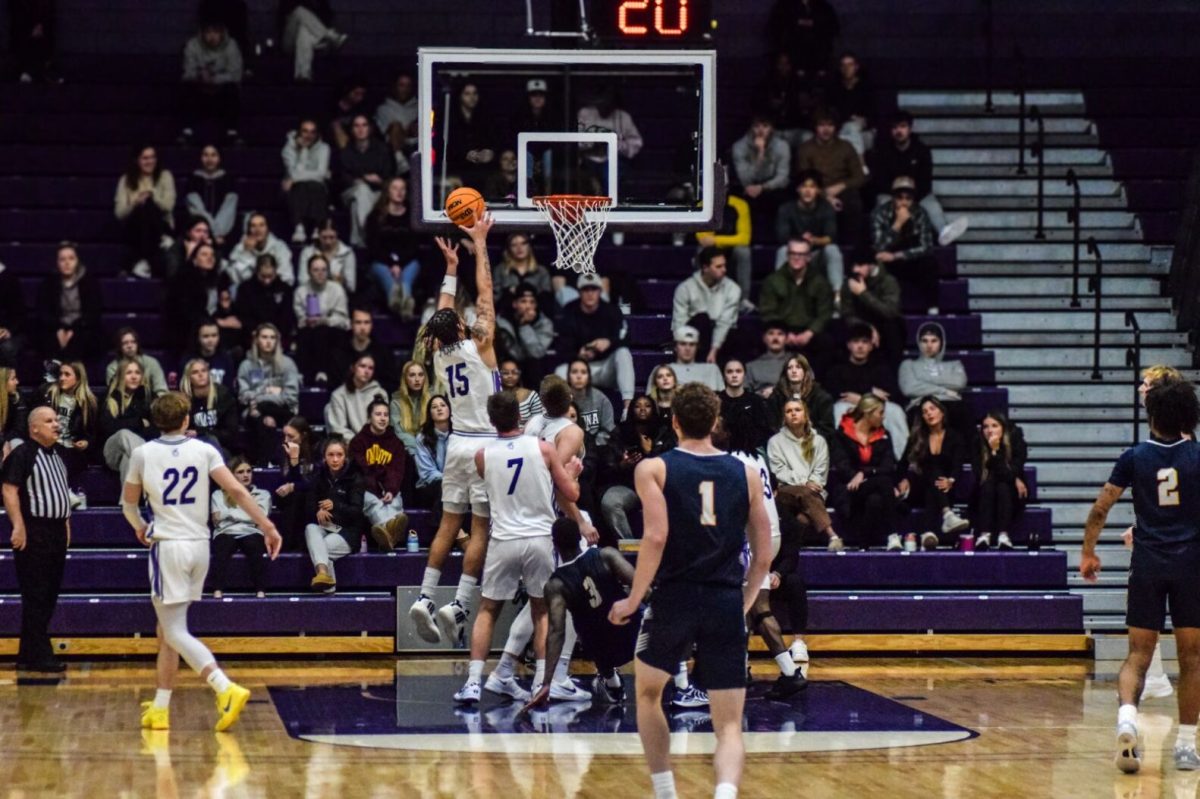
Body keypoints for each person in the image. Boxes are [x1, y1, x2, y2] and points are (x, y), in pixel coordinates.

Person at [608, 383, 773, 799]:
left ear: (674, 421)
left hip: (674, 597)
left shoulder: (654, 468)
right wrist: (745, 603)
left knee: (648, 696)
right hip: (723, 600)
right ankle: (724, 794)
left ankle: (665, 792)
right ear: (716, 421)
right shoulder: (747, 473)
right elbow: (765, 555)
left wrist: (632, 599)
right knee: (730, 725)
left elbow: (657, 536)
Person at [124, 392, 282, 732]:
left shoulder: (142, 453)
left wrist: (140, 527)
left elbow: (128, 505)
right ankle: (161, 707)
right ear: (186, 421)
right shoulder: (206, 449)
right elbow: (239, 492)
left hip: (169, 545)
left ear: (153, 422)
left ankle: (225, 688)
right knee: (166, 630)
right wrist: (267, 525)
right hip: (200, 546)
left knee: (173, 629)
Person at [1079, 380, 1200, 774]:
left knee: (1137, 656)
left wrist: (1088, 553)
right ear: (1189, 416)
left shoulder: (1134, 457)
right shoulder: (1197, 456)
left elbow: (1100, 509)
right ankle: (1185, 746)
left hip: (1147, 563)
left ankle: (1127, 721)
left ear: (1151, 416)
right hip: (1190, 566)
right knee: (1192, 658)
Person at [452, 391, 581, 704]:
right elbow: (571, 496)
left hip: (504, 539)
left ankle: (472, 683)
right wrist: (573, 475)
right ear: (521, 417)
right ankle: (540, 683)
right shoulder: (544, 448)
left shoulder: (482, 455)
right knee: (542, 612)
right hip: (539, 538)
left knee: (487, 609)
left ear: (492, 421)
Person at [408, 214, 499, 646]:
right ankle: (459, 603)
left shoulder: (439, 354)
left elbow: (442, 313)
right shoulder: (480, 343)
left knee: (448, 525)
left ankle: (426, 597)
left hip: (457, 443)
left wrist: (449, 268)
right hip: (484, 444)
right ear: (462, 327)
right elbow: (485, 295)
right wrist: (478, 245)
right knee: (479, 528)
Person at [723, 407, 808, 698]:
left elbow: (732, 507)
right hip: (768, 535)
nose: (717, 426)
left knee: (758, 607)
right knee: (744, 606)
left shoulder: (733, 460)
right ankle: (741, 668)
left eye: (722, 422)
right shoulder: (757, 458)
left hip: (753, 539)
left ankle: (789, 671)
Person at [529, 518, 641, 706]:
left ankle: (613, 685)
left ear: (554, 545)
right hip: (632, 633)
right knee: (650, 614)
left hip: (600, 649)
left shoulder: (555, 585)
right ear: (579, 537)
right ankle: (681, 684)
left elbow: (557, 633)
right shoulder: (606, 555)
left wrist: (547, 682)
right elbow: (641, 587)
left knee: (591, 633)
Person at [2, 407, 71, 672]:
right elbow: (9, 490)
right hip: (35, 531)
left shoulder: (58, 455)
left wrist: (66, 522)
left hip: (55, 531)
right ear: (34, 428)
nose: (56, 424)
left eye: (56, 420)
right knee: (37, 594)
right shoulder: (24, 454)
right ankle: (39, 654)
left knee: (50, 593)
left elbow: (60, 492)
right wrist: (18, 525)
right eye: (49, 421)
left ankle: (28, 653)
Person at [867, 110, 967, 245]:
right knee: (881, 200)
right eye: (895, 127)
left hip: (916, 195)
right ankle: (884, 238)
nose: (899, 131)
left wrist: (910, 200)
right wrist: (899, 199)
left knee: (932, 204)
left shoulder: (922, 151)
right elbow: (880, 181)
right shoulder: (883, 152)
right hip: (891, 195)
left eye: (902, 127)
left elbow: (925, 182)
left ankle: (944, 232)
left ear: (910, 128)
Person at [896, 397, 971, 550]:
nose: (929, 414)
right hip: (919, 487)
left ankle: (928, 533)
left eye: (932, 409)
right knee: (932, 470)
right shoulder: (918, 437)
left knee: (935, 485)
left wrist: (951, 480)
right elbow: (902, 465)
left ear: (942, 412)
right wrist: (902, 480)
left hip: (944, 487)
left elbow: (957, 464)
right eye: (925, 412)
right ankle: (947, 514)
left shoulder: (955, 437)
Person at [824, 322, 909, 457]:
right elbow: (835, 392)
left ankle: (903, 464)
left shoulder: (881, 367)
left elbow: (892, 394)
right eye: (856, 342)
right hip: (849, 407)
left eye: (865, 342)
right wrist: (870, 394)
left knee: (896, 411)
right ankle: (836, 461)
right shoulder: (838, 369)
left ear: (871, 346)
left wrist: (861, 398)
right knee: (837, 410)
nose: (860, 346)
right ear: (849, 345)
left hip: (875, 407)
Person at [554, 272, 635, 411]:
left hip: (605, 368)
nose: (590, 293)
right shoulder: (569, 311)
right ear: (579, 292)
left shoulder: (612, 311)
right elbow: (561, 347)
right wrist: (578, 355)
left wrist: (609, 342)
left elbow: (626, 338)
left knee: (623, 353)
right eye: (586, 290)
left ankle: (628, 408)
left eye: (594, 289)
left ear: (600, 291)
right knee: (559, 372)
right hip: (579, 368)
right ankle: (564, 412)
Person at [768, 398, 840, 550]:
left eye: (797, 410)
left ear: (806, 415)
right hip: (785, 491)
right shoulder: (775, 442)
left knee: (803, 521)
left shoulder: (819, 441)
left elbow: (821, 471)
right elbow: (778, 471)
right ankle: (832, 534)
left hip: (813, 491)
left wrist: (810, 483)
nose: (793, 414)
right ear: (784, 418)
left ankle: (790, 550)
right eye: (789, 411)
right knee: (805, 492)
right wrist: (804, 482)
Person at [829, 395, 899, 551]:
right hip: (850, 489)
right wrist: (864, 475)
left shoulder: (884, 435)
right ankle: (893, 534)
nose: (883, 416)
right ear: (868, 413)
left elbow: (888, 466)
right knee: (885, 483)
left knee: (874, 500)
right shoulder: (842, 433)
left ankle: (863, 546)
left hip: (875, 489)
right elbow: (842, 467)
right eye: (880, 412)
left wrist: (864, 473)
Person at [758, 239, 834, 373]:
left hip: (810, 331)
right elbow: (767, 311)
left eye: (802, 254)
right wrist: (785, 334)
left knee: (827, 342)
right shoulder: (773, 280)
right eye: (793, 253)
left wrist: (809, 333)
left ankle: (816, 386)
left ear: (809, 257)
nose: (797, 258)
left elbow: (825, 313)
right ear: (787, 255)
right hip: (783, 330)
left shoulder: (820, 282)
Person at [796, 109, 866, 247]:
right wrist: (825, 196)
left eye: (830, 125)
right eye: (821, 125)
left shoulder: (846, 147)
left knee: (853, 201)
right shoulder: (806, 149)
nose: (826, 129)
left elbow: (860, 177)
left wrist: (841, 186)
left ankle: (851, 247)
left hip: (841, 190)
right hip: (814, 189)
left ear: (836, 127)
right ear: (815, 127)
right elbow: (802, 179)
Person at [304, 435, 365, 593]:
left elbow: (357, 512)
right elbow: (308, 505)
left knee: (320, 549)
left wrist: (336, 505)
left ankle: (323, 577)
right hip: (326, 527)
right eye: (331, 455)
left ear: (345, 457)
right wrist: (318, 510)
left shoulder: (354, 477)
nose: (335, 459)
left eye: (339, 455)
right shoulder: (319, 476)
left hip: (347, 532)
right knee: (310, 528)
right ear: (324, 457)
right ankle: (324, 577)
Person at [871, 176, 940, 314]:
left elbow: (926, 246)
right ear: (893, 197)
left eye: (908, 198)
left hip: (908, 260)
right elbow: (878, 246)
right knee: (875, 262)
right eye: (899, 197)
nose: (903, 202)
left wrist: (897, 256)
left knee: (930, 262)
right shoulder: (880, 213)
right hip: (888, 261)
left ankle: (933, 306)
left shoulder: (920, 213)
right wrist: (897, 225)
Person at [348, 398, 408, 552]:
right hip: (367, 488)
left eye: (386, 415)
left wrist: (390, 490)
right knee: (373, 503)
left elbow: (397, 471)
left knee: (394, 502)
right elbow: (361, 469)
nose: (382, 418)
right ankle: (389, 530)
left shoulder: (396, 443)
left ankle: (386, 536)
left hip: (388, 487)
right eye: (378, 414)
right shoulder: (358, 442)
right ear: (369, 418)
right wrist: (377, 486)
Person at [237, 324, 301, 465]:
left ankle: (263, 463)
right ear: (256, 340)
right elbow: (243, 396)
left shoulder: (287, 364)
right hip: (255, 412)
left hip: (283, 410)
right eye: (264, 337)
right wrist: (269, 390)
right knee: (261, 420)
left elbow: (290, 397)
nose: (268, 341)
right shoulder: (246, 365)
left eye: (272, 337)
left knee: (261, 410)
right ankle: (267, 464)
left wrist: (258, 396)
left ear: (277, 341)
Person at [209, 456, 271, 599]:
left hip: (252, 532)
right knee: (222, 549)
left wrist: (228, 513)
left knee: (255, 547)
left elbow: (260, 518)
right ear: (231, 475)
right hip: (225, 531)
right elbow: (217, 520)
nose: (246, 475)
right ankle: (217, 591)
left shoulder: (262, 494)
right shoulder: (218, 494)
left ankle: (260, 591)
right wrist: (249, 511)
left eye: (249, 471)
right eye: (240, 472)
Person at [775, 170, 843, 291]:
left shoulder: (826, 208)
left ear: (818, 190)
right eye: (804, 187)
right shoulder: (786, 209)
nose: (807, 191)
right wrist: (802, 242)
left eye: (812, 187)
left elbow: (831, 237)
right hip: (795, 253)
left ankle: (837, 294)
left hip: (817, 256)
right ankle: (780, 293)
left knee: (833, 250)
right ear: (798, 189)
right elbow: (782, 237)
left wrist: (814, 240)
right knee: (783, 251)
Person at [671, 247, 742, 363]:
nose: (724, 270)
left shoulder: (733, 289)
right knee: (702, 319)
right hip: (696, 336)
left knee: (738, 334)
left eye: (724, 265)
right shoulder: (685, 288)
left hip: (723, 338)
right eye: (719, 266)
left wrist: (714, 350)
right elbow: (679, 323)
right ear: (705, 268)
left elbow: (725, 322)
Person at [114, 145, 176, 279]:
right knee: (142, 210)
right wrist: (135, 201)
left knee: (149, 206)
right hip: (134, 228)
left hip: (161, 226)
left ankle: (139, 260)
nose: (150, 161)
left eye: (153, 157)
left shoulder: (165, 176)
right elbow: (119, 213)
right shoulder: (126, 180)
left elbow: (168, 206)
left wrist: (152, 196)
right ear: (137, 160)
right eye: (145, 158)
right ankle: (149, 258)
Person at [898, 322, 971, 434]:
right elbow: (909, 388)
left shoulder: (954, 364)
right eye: (924, 341)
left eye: (934, 341)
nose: (929, 345)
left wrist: (923, 380)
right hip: (920, 406)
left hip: (951, 405)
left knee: (963, 412)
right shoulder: (908, 365)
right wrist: (944, 390)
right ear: (918, 342)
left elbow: (959, 383)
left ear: (941, 343)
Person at [36, 242, 103, 362]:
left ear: (78, 260)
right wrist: (59, 329)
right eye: (62, 259)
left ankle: (75, 378)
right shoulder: (48, 283)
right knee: (47, 340)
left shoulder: (90, 282)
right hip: (55, 327)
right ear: (57, 262)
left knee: (83, 340)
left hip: (82, 327)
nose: (67, 263)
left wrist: (74, 329)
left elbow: (94, 312)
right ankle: (52, 378)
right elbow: (44, 312)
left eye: (71, 258)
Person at [33, 361, 96, 488]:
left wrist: (86, 442)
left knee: (72, 458)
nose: (62, 378)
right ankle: (65, 493)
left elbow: (93, 432)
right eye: (61, 374)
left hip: (72, 448)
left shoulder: (88, 402)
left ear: (78, 378)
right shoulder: (46, 393)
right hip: (48, 444)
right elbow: (34, 420)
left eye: (67, 375)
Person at [365, 175, 420, 318]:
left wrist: (399, 263)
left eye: (402, 189)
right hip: (381, 261)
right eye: (395, 188)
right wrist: (392, 263)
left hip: (408, 261)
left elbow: (414, 245)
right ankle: (399, 303)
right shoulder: (375, 216)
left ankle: (404, 301)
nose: (399, 192)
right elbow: (373, 246)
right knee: (387, 275)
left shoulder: (412, 216)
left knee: (407, 276)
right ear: (388, 191)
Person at [179, 21, 243, 145]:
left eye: (215, 32)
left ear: (222, 33)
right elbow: (187, 72)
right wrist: (200, 76)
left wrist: (214, 79)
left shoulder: (231, 45)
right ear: (202, 33)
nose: (212, 36)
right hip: (199, 88)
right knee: (186, 88)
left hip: (221, 90)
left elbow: (235, 74)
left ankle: (232, 132)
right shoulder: (192, 45)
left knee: (232, 89)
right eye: (208, 32)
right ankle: (187, 131)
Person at [972, 410, 1027, 552]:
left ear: (1003, 427)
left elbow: (1011, 473)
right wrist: (1013, 478)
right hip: (984, 492)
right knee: (990, 483)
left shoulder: (1017, 442)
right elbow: (980, 475)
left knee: (1003, 486)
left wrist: (995, 451)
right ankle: (984, 535)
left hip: (1012, 495)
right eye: (985, 427)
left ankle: (1003, 535)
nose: (989, 430)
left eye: (994, 425)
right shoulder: (977, 444)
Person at [293, 254, 350, 384]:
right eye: (316, 270)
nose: (320, 273)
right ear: (309, 272)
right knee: (308, 333)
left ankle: (322, 372)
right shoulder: (300, 291)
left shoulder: (337, 289)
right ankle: (303, 374)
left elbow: (344, 320)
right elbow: (299, 318)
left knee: (322, 331)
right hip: (308, 332)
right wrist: (308, 320)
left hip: (333, 333)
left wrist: (326, 320)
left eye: (324, 270)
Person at [339, 114, 395, 247]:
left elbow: (389, 176)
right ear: (351, 129)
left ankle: (358, 241)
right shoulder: (346, 151)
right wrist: (365, 178)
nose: (360, 129)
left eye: (364, 125)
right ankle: (369, 231)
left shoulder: (382, 149)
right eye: (356, 125)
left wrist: (378, 181)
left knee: (356, 204)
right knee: (361, 190)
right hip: (351, 192)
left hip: (378, 192)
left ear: (370, 128)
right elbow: (342, 179)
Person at [731, 113, 791, 233]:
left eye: (765, 126)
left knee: (782, 198)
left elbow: (783, 177)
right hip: (749, 187)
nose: (761, 130)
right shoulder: (739, 147)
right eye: (757, 126)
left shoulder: (782, 146)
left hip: (773, 186)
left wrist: (763, 187)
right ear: (751, 128)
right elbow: (745, 179)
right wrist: (760, 155)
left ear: (772, 128)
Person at [100, 358, 155, 483]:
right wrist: (139, 423)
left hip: (135, 450)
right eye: (129, 373)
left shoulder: (148, 397)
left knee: (129, 458)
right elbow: (107, 428)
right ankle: (152, 475)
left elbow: (155, 429)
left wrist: (124, 423)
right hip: (111, 451)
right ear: (120, 376)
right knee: (124, 433)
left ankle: (128, 502)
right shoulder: (109, 397)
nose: (134, 376)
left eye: (137, 373)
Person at [840, 260, 904, 365]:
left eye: (860, 265)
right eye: (854, 266)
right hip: (860, 323)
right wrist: (867, 327)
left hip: (884, 323)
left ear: (871, 265)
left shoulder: (888, 281)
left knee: (893, 327)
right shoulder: (850, 282)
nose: (856, 269)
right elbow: (847, 313)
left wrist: (863, 294)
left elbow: (890, 312)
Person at [281, 118, 332, 244]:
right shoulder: (288, 149)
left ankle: (316, 228)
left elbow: (320, 174)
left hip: (316, 187)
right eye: (305, 131)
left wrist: (294, 179)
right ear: (298, 133)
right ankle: (299, 227)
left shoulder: (324, 148)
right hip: (294, 189)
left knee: (315, 186)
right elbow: (294, 172)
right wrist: (303, 151)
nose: (308, 136)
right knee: (301, 186)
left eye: (312, 132)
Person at [766, 354, 835, 439]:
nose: (794, 371)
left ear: (805, 371)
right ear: (785, 373)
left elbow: (827, 430)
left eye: (798, 367)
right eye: (789, 368)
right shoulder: (776, 397)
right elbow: (771, 426)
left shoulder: (821, 397)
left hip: (812, 443)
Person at [496, 283, 554, 383]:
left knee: (535, 366)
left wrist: (524, 326)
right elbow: (515, 354)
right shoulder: (502, 322)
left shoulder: (544, 323)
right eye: (523, 301)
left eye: (532, 302)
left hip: (532, 368)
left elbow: (536, 353)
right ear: (515, 304)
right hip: (507, 363)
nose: (528, 306)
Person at [179, 358, 238, 457]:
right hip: (191, 448)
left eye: (204, 371)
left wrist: (200, 433)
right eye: (195, 372)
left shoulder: (223, 395)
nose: (200, 375)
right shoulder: (182, 401)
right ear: (188, 378)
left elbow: (231, 432)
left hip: (221, 447)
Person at [767, 0, 840, 78]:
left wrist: (815, 25)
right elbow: (774, 30)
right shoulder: (784, 6)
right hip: (792, 62)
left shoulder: (824, 8)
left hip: (819, 62)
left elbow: (833, 30)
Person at [278, 0, 347, 83]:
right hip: (289, 42)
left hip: (316, 43)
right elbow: (283, 17)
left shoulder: (321, 5)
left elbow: (328, 20)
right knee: (299, 11)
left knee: (303, 31)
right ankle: (332, 36)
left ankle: (303, 75)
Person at [184, 145, 238, 246]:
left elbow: (228, 211)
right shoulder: (192, 181)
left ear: (219, 158)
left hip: (223, 236)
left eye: (213, 155)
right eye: (206, 155)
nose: (209, 159)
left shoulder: (229, 181)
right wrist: (211, 234)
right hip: (198, 234)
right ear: (200, 157)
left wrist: (218, 234)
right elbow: (197, 210)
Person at [233, 255, 294, 343]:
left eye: (270, 276)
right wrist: (256, 333)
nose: (267, 280)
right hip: (252, 336)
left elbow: (287, 317)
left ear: (276, 272)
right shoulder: (245, 289)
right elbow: (244, 315)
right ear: (257, 272)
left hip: (278, 336)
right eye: (263, 276)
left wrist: (275, 335)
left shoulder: (285, 289)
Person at [445, 82, 495, 189]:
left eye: (474, 93)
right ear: (460, 96)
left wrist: (489, 153)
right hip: (456, 167)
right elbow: (446, 145)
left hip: (481, 169)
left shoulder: (486, 117)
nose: (472, 97)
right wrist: (465, 154)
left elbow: (493, 140)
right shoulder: (449, 118)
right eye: (467, 94)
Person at [824, 51, 873, 156]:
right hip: (841, 128)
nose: (847, 68)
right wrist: (850, 117)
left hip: (864, 130)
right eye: (843, 65)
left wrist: (865, 121)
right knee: (848, 130)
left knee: (850, 130)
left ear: (856, 67)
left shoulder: (866, 88)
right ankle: (861, 165)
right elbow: (833, 112)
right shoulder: (835, 89)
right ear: (840, 68)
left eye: (850, 65)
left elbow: (873, 113)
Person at [227, 213, 295, 288]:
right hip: (249, 293)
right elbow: (236, 279)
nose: (257, 230)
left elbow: (288, 279)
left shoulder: (279, 247)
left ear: (268, 229)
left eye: (261, 225)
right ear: (248, 230)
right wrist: (246, 253)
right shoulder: (240, 248)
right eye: (253, 226)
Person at [325, 354, 384, 439]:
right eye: (362, 366)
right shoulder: (338, 395)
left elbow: (383, 426)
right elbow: (338, 428)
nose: (367, 371)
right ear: (353, 368)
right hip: (350, 446)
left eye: (371, 368)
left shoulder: (380, 393)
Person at [341, 308, 397, 394]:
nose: (362, 327)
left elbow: (391, 384)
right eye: (358, 322)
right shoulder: (340, 352)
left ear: (371, 325)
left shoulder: (383, 353)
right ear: (351, 324)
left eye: (366, 322)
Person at [718, 360, 771, 451]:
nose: (734, 375)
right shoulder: (717, 401)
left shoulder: (755, 401)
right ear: (724, 375)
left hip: (752, 453)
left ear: (744, 375)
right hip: (722, 452)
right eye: (729, 371)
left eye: (738, 371)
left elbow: (764, 432)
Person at [105, 327, 168, 398]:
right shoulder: (112, 368)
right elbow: (113, 394)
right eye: (125, 343)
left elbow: (161, 390)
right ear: (119, 346)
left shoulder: (152, 363)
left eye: (133, 342)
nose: (130, 346)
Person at [566, 359, 616, 448]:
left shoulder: (601, 399)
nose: (579, 376)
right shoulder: (561, 399)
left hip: (596, 450)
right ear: (568, 377)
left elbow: (608, 431)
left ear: (589, 377)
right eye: (574, 372)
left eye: (583, 372)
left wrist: (594, 446)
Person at [493, 232, 552, 305]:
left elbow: (547, 298)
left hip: (536, 312)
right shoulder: (500, 270)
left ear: (529, 246)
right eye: (514, 245)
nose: (519, 248)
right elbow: (495, 297)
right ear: (508, 249)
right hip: (507, 312)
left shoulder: (541, 271)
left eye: (523, 243)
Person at [300, 219, 356, 295]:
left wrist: (342, 281)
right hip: (313, 294)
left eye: (332, 237)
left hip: (339, 296)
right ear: (318, 235)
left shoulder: (347, 253)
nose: (328, 242)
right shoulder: (308, 252)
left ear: (337, 235)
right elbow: (302, 282)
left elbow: (351, 287)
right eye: (324, 237)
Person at [413, 395, 450, 511]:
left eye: (443, 405)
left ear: (449, 409)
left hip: (455, 485)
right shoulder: (422, 438)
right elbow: (427, 473)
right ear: (430, 414)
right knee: (444, 488)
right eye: (434, 407)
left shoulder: (458, 436)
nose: (439, 409)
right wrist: (449, 481)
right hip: (429, 486)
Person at [181, 319, 237, 393]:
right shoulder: (188, 359)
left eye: (214, 335)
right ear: (198, 338)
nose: (210, 340)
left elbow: (229, 389)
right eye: (206, 336)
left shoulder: (226, 359)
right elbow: (184, 388)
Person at [390, 360, 434, 454]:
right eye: (412, 375)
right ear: (405, 378)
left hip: (430, 447)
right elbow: (399, 433)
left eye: (421, 375)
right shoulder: (396, 403)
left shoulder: (432, 398)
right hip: (408, 449)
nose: (417, 379)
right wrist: (418, 450)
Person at [376, 72, 418, 163]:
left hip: (418, 148)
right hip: (393, 152)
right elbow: (390, 133)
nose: (405, 89)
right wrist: (408, 130)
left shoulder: (419, 107)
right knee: (396, 125)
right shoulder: (384, 109)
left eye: (408, 86)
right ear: (395, 87)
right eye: (402, 85)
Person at [746, 323, 790, 396]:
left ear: (787, 339)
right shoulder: (751, 366)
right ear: (764, 338)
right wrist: (761, 393)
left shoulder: (799, 364)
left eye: (780, 334)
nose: (775, 338)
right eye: (771, 333)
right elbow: (744, 394)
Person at [500, 359, 543, 427]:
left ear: (519, 374)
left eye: (514, 373)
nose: (510, 376)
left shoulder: (532, 396)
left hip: (527, 435)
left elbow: (538, 423)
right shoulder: (494, 395)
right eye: (505, 373)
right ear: (499, 374)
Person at [0, 368, 27, 458]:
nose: (17, 382)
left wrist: (5, 442)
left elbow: (19, 429)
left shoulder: (18, 398)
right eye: (13, 379)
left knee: (17, 443)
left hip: (9, 439)